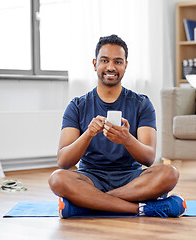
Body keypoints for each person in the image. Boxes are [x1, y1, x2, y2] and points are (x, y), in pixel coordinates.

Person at [48, 34, 186, 218]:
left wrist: (127, 139)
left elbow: (148, 158)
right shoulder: (78, 106)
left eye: (118, 62)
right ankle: (143, 208)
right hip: (90, 178)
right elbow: (64, 162)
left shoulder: (141, 104)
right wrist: (88, 133)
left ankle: (87, 204)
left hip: (132, 179)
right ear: (94, 63)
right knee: (57, 178)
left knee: (170, 173)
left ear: (125, 66)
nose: (111, 67)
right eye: (104, 60)